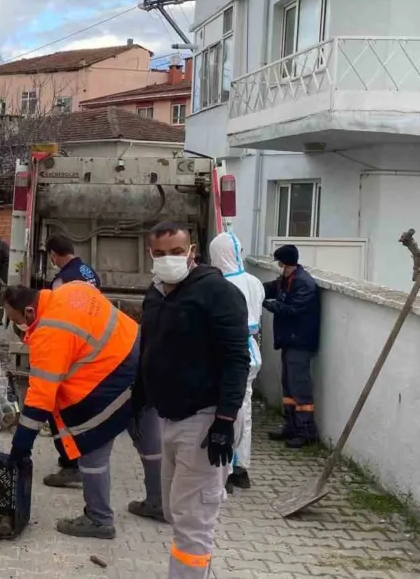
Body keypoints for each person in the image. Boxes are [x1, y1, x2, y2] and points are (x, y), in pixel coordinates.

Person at [3, 282, 164, 539]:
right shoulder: (73, 289)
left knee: (91, 446)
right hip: (144, 359)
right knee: (151, 443)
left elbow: (40, 400)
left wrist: (20, 446)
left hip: (113, 378)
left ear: (31, 312)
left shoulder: (48, 332)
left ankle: (99, 519)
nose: (18, 329)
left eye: (16, 320)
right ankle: (160, 502)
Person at [138, 221, 250, 578]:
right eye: (160, 253)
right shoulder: (156, 293)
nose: (168, 258)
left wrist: (225, 422)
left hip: (205, 420)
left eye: (176, 251)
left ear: (192, 252)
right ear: (150, 254)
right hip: (169, 418)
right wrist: (140, 394)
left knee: (193, 521)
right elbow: (150, 347)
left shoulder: (217, 293)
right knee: (174, 511)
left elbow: (237, 359)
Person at [37, 234, 102, 487]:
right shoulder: (88, 272)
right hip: (90, 346)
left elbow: (55, 317)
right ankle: (82, 458)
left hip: (70, 350)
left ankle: (71, 462)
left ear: (54, 254)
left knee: (59, 409)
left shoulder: (63, 279)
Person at [208, 232, 265, 490]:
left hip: (228, 355)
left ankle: (226, 470)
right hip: (252, 353)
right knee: (246, 412)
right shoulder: (255, 282)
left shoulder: (219, 286)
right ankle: (242, 469)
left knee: (227, 412)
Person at [263, 244, 321, 448]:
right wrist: (253, 289)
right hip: (289, 340)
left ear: (287, 263)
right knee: (288, 385)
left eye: (280, 263)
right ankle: (291, 426)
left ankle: (306, 432)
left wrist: (266, 303)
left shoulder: (304, 284)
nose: (278, 266)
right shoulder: (287, 280)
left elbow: (292, 310)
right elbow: (270, 287)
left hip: (300, 342)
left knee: (299, 386)